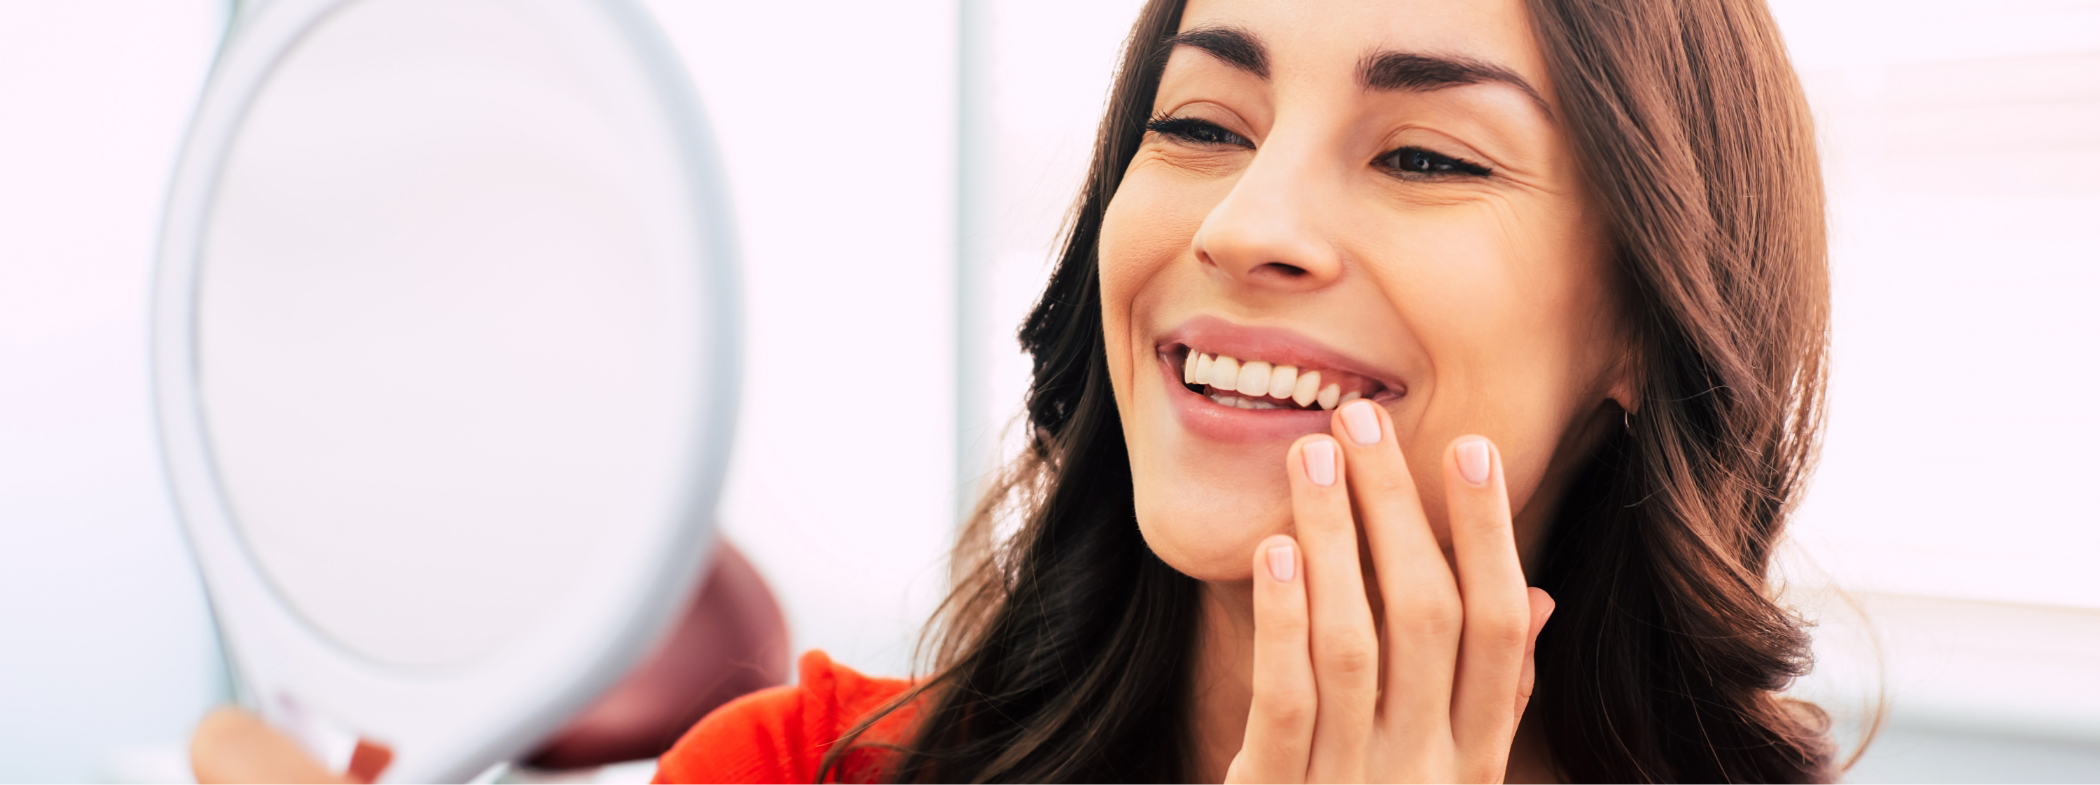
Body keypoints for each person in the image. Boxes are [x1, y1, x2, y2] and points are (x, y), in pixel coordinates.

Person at [197, 0, 1837, 780]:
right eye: (1197, 126)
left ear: (1646, 320)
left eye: (1422, 152)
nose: (1247, 222)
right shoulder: (803, 773)